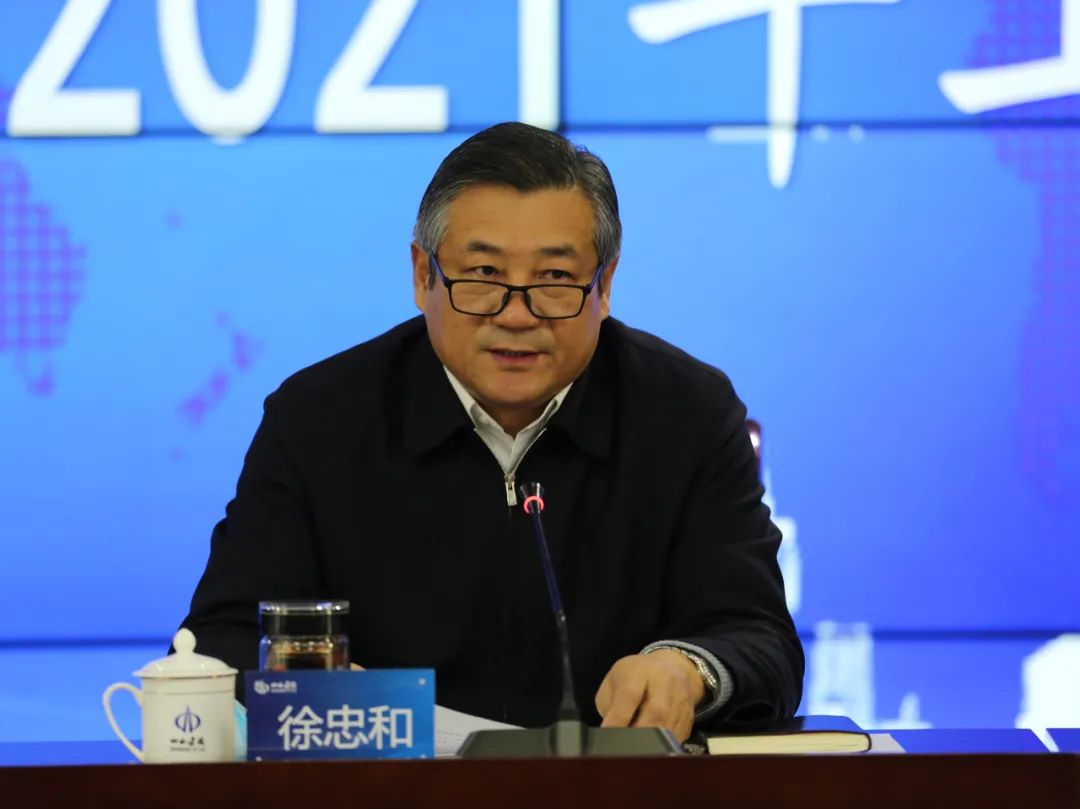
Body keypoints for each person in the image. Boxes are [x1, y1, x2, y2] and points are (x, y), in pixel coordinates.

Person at [181, 122, 803, 742]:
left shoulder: (686, 414)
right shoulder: (319, 419)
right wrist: (321, 690)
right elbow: (220, 641)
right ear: (423, 275)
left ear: (605, 284)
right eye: (482, 274)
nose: (516, 314)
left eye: (554, 279)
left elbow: (758, 637)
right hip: (390, 785)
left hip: (613, 786)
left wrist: (687, 671)